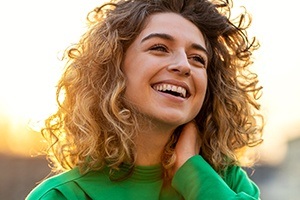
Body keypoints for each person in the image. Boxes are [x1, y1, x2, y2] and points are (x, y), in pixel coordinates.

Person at [26, 0, 264, 199]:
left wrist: (195, 174)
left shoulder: (227, 182)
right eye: (159, 47)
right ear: (113, 67)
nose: (183, 65)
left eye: (198, 59)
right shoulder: (61, 196)